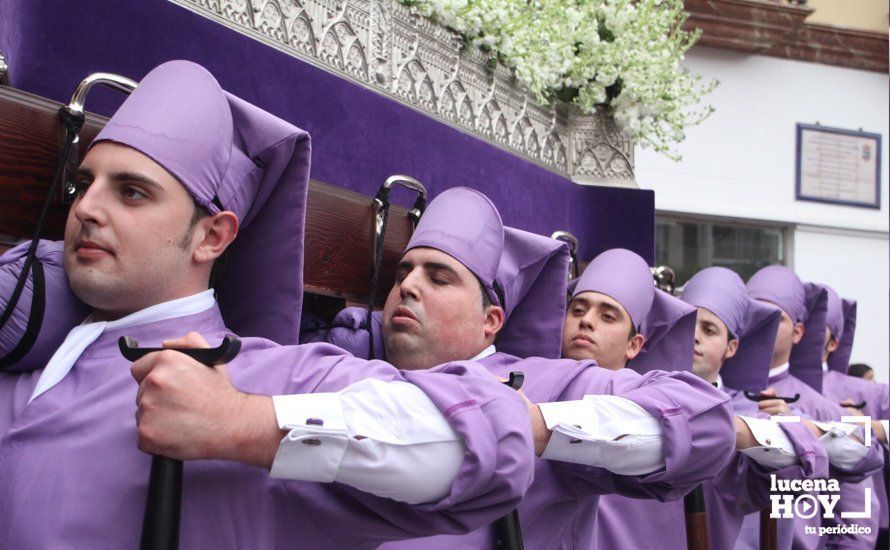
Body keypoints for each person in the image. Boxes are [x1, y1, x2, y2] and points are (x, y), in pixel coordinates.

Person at [0, 60, 536, 548]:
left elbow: (491, 444)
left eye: (132, 192)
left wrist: (241, 421)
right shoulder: (26, 345)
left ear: (212, 236)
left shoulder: (262, 377)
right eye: (83, 184)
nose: (87, 208)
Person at [312, 189, 737, 549]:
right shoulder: (340, 368)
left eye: (439, 278)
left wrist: (530, 424)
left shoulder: (545, 384)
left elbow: (706, 420)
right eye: (402, 273)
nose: (408, 285)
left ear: (491, 321)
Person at [574, 260, 825, 550]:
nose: (694, 337)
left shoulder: (758, 417)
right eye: (689, 324)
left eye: (709, 329)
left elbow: (809, 475)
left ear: (731, 347)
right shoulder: (636, 401)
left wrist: (779, 432)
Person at [743, 266, 885, 550]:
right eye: (753, 314)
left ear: (798, 332)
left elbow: (858, 517)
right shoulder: (716, 394)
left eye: (775, 318)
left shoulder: (823, 410)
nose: (761, 326)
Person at [818, 285, 888, 549]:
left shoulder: (869, 391)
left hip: (863, 522)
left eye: (818, 326)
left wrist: (874, 428)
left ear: (834, 342)